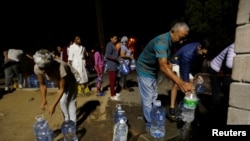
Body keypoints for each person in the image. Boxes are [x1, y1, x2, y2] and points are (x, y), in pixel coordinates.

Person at [136, 22, 193, 131]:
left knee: (153, 96)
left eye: (183, 39)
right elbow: (163, 66)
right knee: (148, 99)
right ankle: (150, 125)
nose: (181, 42)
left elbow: (168, 62)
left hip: (153, 70)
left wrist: (175, 76)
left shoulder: (171, 41)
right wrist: (180, 83)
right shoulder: (162, 41)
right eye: (180, 38)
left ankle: (151, 117)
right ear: (172, 31)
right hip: (144, 69)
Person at [33, 49, 79, 126]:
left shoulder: (61, 67)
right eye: (41, 68)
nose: (43, 70)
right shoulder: (37, 68)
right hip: (59, 80)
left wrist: (53, 106)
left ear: (50, 64)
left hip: (71, 79)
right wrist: (44, 100)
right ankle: (67, 121)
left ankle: (73, 124)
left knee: (70, 101)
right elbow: (42, 85)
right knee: (62, 101)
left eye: (46, 68)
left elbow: (62, 89)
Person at [169, 41, 209, 118]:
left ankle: (188, 105)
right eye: (203, 54)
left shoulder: (200, 52)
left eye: (205, 54)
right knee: (176, 83)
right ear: (200, 47)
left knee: (192, 82)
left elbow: (197, 64)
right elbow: (185, 71)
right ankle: (172, 106)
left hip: (187, 63)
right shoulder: (188, 53)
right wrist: (186, 86)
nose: (204, 56)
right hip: (176, 61)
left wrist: (198, 75)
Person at [209, 43, 236, 109]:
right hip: (216, 69)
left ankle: (224, 108)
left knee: (227, 90)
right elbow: (229, 64)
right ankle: (215, 109)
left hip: (226, 72)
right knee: (216, 91)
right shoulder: (234, 46)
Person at [104, 34, 121, 101]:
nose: (116, 40)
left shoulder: (113, 45)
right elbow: (107, 55)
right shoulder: (109, 45)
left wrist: (118, 58)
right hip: (111, 66)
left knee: (114, 81)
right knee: (112, 81)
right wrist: (116, 59)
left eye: (116, 39)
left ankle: (114, 93)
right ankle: (112, 95)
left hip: (114, 66)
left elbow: (114, 56)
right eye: (114, 38)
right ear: (111, 38)